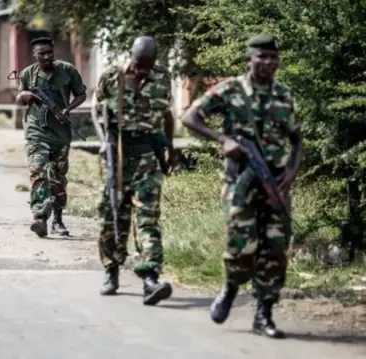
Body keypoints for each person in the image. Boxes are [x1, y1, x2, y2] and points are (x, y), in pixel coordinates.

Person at [181, 34, 304, 338]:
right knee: (241, 244)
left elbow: (298, 140)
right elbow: (189, 117)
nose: (268, 63)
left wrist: (291, 170)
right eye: (262, 57)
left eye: (273, 57)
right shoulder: (231, 90)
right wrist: (223, 139)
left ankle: (264, 314)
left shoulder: (284, 95)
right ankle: (230, 288)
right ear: (250, 58)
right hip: (240, 180)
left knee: (275, 248)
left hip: (275, 182)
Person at [92, 36, 175, 305]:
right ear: (131, 55)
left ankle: (150, 278)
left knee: (148, 217)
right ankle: (111, 270)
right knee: (113, 213)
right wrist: (104, 139)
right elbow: (96, 110)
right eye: (140, 64)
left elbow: (166, 115)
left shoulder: (162, 78)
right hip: (117, 154)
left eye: (148, 66)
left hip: (147, 156)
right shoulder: (112, 77)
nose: (143, 71)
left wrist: (169, 146)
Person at [15, 37, 87, 238]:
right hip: (36, 131)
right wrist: (25, 95)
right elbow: (19, 98)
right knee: (39, 170)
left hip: (61, 134)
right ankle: (39, 217)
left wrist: (67, 108)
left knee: (57, 179)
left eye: (50, 52)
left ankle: (57, 219)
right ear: (35, 55)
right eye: (42, 53)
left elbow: (81, 94)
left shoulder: (67, 70)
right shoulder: (28, 74)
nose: (47, 56)